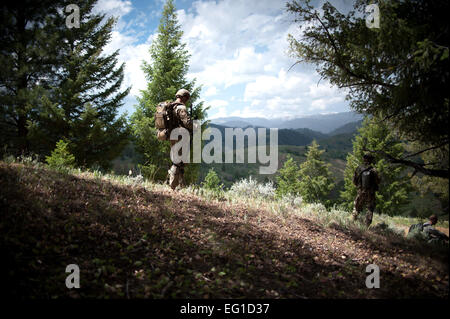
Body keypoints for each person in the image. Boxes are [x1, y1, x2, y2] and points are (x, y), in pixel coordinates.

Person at [167, 89, 193, 190]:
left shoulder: (172, 106)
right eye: (187, 98)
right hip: (180, 136)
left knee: (178, 160)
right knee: (178, 162)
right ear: (184, 97)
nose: (187, 100)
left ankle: (180, 185)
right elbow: (187, 123)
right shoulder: (181, 108)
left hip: (173, 135)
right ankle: (173, 186)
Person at [352, 153, 381, 226]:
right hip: (370, 193)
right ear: (371, 160)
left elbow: (354, 181)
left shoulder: (358, 168)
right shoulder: (374, 170)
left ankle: (353, 222)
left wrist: (359, 188)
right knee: (370, 208)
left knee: (357, 207)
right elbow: (378, 181)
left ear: (364, 159)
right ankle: (366, 225)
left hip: (361, 191)